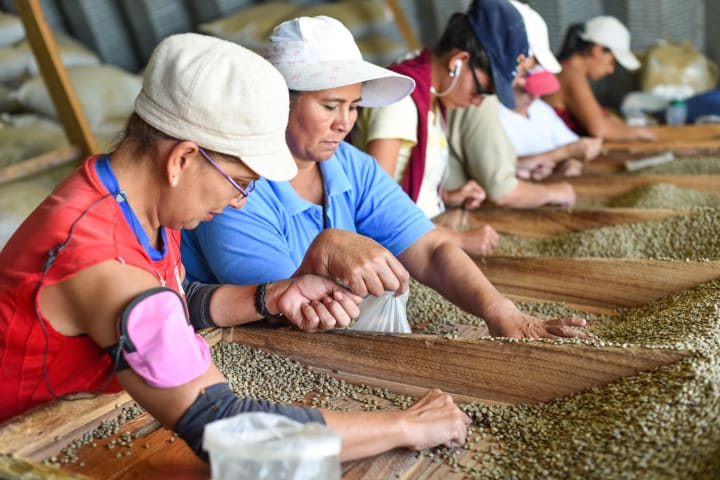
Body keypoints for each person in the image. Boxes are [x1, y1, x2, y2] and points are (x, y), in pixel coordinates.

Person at [0, 33, 472, 462]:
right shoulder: (103, 260)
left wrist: (267, 296)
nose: (240, 200)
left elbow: (174, 301)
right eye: (240, 182)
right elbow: (228, 429)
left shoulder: (133, 199)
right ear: (183, 158)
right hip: (26, 445)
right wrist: (408, 424)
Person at [181, 10, 589, 342]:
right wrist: (327, 246)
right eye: (330, 106)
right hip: (252, 341)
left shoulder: (352, 167)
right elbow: (280, 308)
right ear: (280, 103)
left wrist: (499, 311)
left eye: (354, 106)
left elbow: (429, 248)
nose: (345, 123)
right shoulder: (235, 184)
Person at [351, 9, 505, 256]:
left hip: (427, 229)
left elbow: (405, 183)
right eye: (481, 91)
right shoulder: (400, 100)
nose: (478, 102)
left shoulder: (432, 101)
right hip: (405, 244)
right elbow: (376, 208)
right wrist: (459, 240)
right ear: (457, 62)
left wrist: (448, 196)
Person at [444, 0, 578, 208]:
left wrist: (517, 166)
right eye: (523, 69)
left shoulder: (471, 87)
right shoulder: (479, 97)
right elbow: (501, 191)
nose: (521, 79)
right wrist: (556, 192)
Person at [542, 15, 657, 142]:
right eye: (612, 61)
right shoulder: (570, 74)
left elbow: (606, 118)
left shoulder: (570, 71)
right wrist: (642, 132)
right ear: (597, 50)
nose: (611, 70)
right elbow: (599, 129)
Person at [499, 66, 603, 180]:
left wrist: (571, 164)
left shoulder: (540, 108)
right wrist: (566, 152)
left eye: (538, 91)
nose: (534, 96)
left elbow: (572, 147)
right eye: (525, 91)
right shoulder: (494, 114)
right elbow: (499, 166)